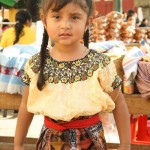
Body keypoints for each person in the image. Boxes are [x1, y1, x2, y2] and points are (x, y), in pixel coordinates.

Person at [14, 0, 131, 150]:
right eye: (57, 17)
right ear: (44, 20)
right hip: (51, 143)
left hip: (90, 143)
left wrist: (125, 145)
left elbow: (119, 103)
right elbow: (25, 105)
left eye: (74, 17)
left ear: (88, 22)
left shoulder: (99, 64)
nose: (65, 25)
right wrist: (18, 145)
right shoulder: (36, 65)